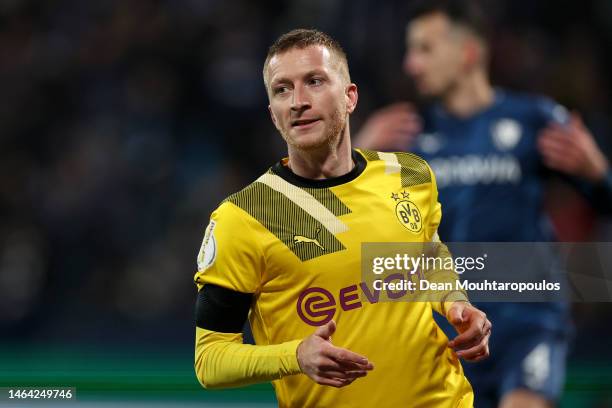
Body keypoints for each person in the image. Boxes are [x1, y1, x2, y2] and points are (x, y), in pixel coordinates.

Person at [193, 28, 492, 407]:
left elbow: (428, 256)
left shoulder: (409, 174)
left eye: (314, 82)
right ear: (273, 114)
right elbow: (210, 360)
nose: (298, 101)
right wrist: (295, 356)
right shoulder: (246, 217)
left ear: (350, 97)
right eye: (282, 90)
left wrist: (455, 303)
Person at [355, 1, 612, 407]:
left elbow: (603, 203)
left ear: (468, 53)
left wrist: (599, 174)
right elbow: (340, 229)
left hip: (527, 324)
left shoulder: (534, 121)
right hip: (448, 333)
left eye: (425, 49)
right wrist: (357, 158)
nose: (411, 64)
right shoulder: (404, 136)